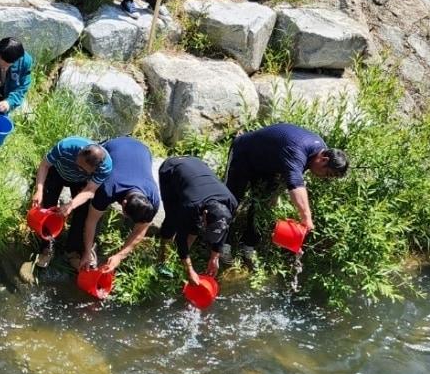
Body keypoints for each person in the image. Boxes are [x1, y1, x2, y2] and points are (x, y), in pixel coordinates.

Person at [224, 122, 349, 255]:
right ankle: (221, 246)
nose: (325, 178)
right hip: (244, 154)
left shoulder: (320, 150)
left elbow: (291, 173)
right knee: (231, 199)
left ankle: (248, 246)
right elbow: (295, 183)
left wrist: (275, 194)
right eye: (327, 174)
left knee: (262, 205)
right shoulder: (298, 149)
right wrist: (306, 218)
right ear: (324, 160)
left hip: (268, 165)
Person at [73, 136, 160, 273]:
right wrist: (87, 252)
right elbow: (91, 221)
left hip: (143, 151)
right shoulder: (108, 188)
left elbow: (140, 230)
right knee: (88, 199)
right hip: (115, 145)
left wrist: (120, 255)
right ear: (123, 203)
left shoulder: (153, 199)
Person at [29, 137, 113, 267]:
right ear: (79, 153)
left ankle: (72, 251)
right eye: (79, 165)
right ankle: (47, 247)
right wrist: (39, 190)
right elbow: (45, 165)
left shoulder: (106, 166)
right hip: (57, 172)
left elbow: (90, 189)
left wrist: (71, 204)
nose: (79, 169)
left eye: (84, 170)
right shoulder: (66, 146)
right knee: (48, 204)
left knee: (82, 212)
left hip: (81, 182)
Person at [158, 155, 238, 286]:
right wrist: (189, 270)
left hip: (196, 168)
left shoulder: (231, 203)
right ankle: (162, 256)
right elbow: (180, 238)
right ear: (205, 214)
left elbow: (224, 229)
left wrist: (214, 257)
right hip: (172, 169)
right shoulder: (190, 205)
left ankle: (181, 258)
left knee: (195, 225)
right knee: (172, 220)